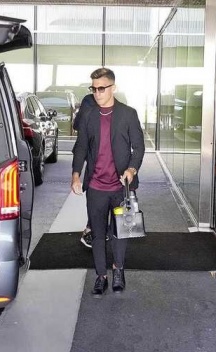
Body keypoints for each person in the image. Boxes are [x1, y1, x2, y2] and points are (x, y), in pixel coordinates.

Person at [71, 67, 145, 296]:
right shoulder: (89, 115)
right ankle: (101, 275)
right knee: (97, 233)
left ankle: (118, 270)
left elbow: (139, 147)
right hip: (95, 186)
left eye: (101, 88)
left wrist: (132, 169)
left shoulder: (128, 114)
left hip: (121, 187)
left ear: (114, 87)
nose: (97, 93)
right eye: (93, 89)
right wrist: (76, 174)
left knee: (121, 231)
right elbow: (81, 147)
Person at [73, 93, 98, 248]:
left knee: (96, 190)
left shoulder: (88, 99)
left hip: (94, 152)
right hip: (95, 153)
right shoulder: (90, 100)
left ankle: (92, 228)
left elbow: (77, 124)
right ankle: (93, 228)